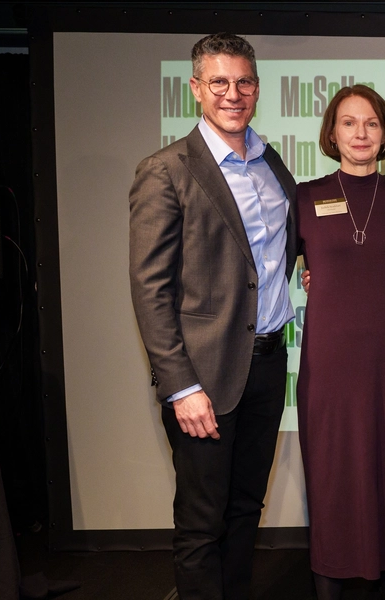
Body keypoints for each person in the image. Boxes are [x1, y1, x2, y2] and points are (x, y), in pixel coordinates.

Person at [128, 33, 297, 600]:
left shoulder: (273, 165)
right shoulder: (165, 170)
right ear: (196, 88)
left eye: (244, 81)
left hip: (268, 367)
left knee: (247, 506)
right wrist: (180, 387)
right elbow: (150, 289)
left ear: (256, 88)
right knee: (202, 522)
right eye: (219, 82)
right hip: (203, 379)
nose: (233, 93)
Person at [295, 85, 385, 599]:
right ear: (332, 133)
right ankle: (333, 572)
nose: (361, 133)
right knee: (332, 470)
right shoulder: (304, 196)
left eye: (371, 123)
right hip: (328, 364)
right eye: (349, 123)